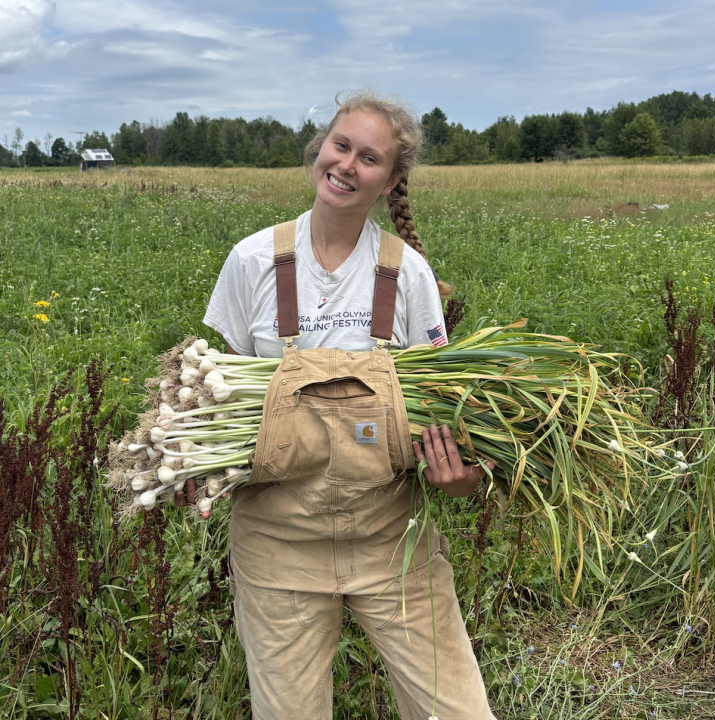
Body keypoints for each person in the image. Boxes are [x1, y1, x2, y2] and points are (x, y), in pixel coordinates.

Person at [178, 91, 499, 720]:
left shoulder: (407, 275)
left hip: (392, 542)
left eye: (370, 158)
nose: (348, 165)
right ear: (319, 150)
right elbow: (224, 395)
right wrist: (199, 463)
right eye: (341, 145)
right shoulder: (251, 261)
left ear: (391, 182)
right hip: (276, 546)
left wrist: (459, 478)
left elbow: (441, 409)